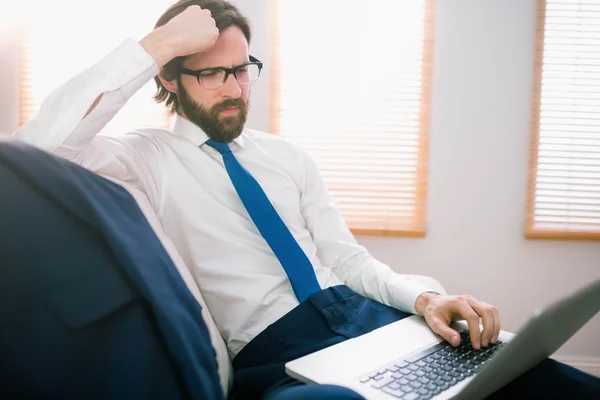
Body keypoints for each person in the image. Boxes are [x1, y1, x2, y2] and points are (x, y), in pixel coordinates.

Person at [12, 0, 600, 398]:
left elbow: (346, 260)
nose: (236, 89)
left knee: (536, 377)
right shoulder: (144, 161)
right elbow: (41, 148)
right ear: (168, 79)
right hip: (276, 350)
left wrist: (422, 298)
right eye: (213, 75)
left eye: (243, 70)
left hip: (367, 318)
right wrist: (158, 43)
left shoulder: (285, 156)